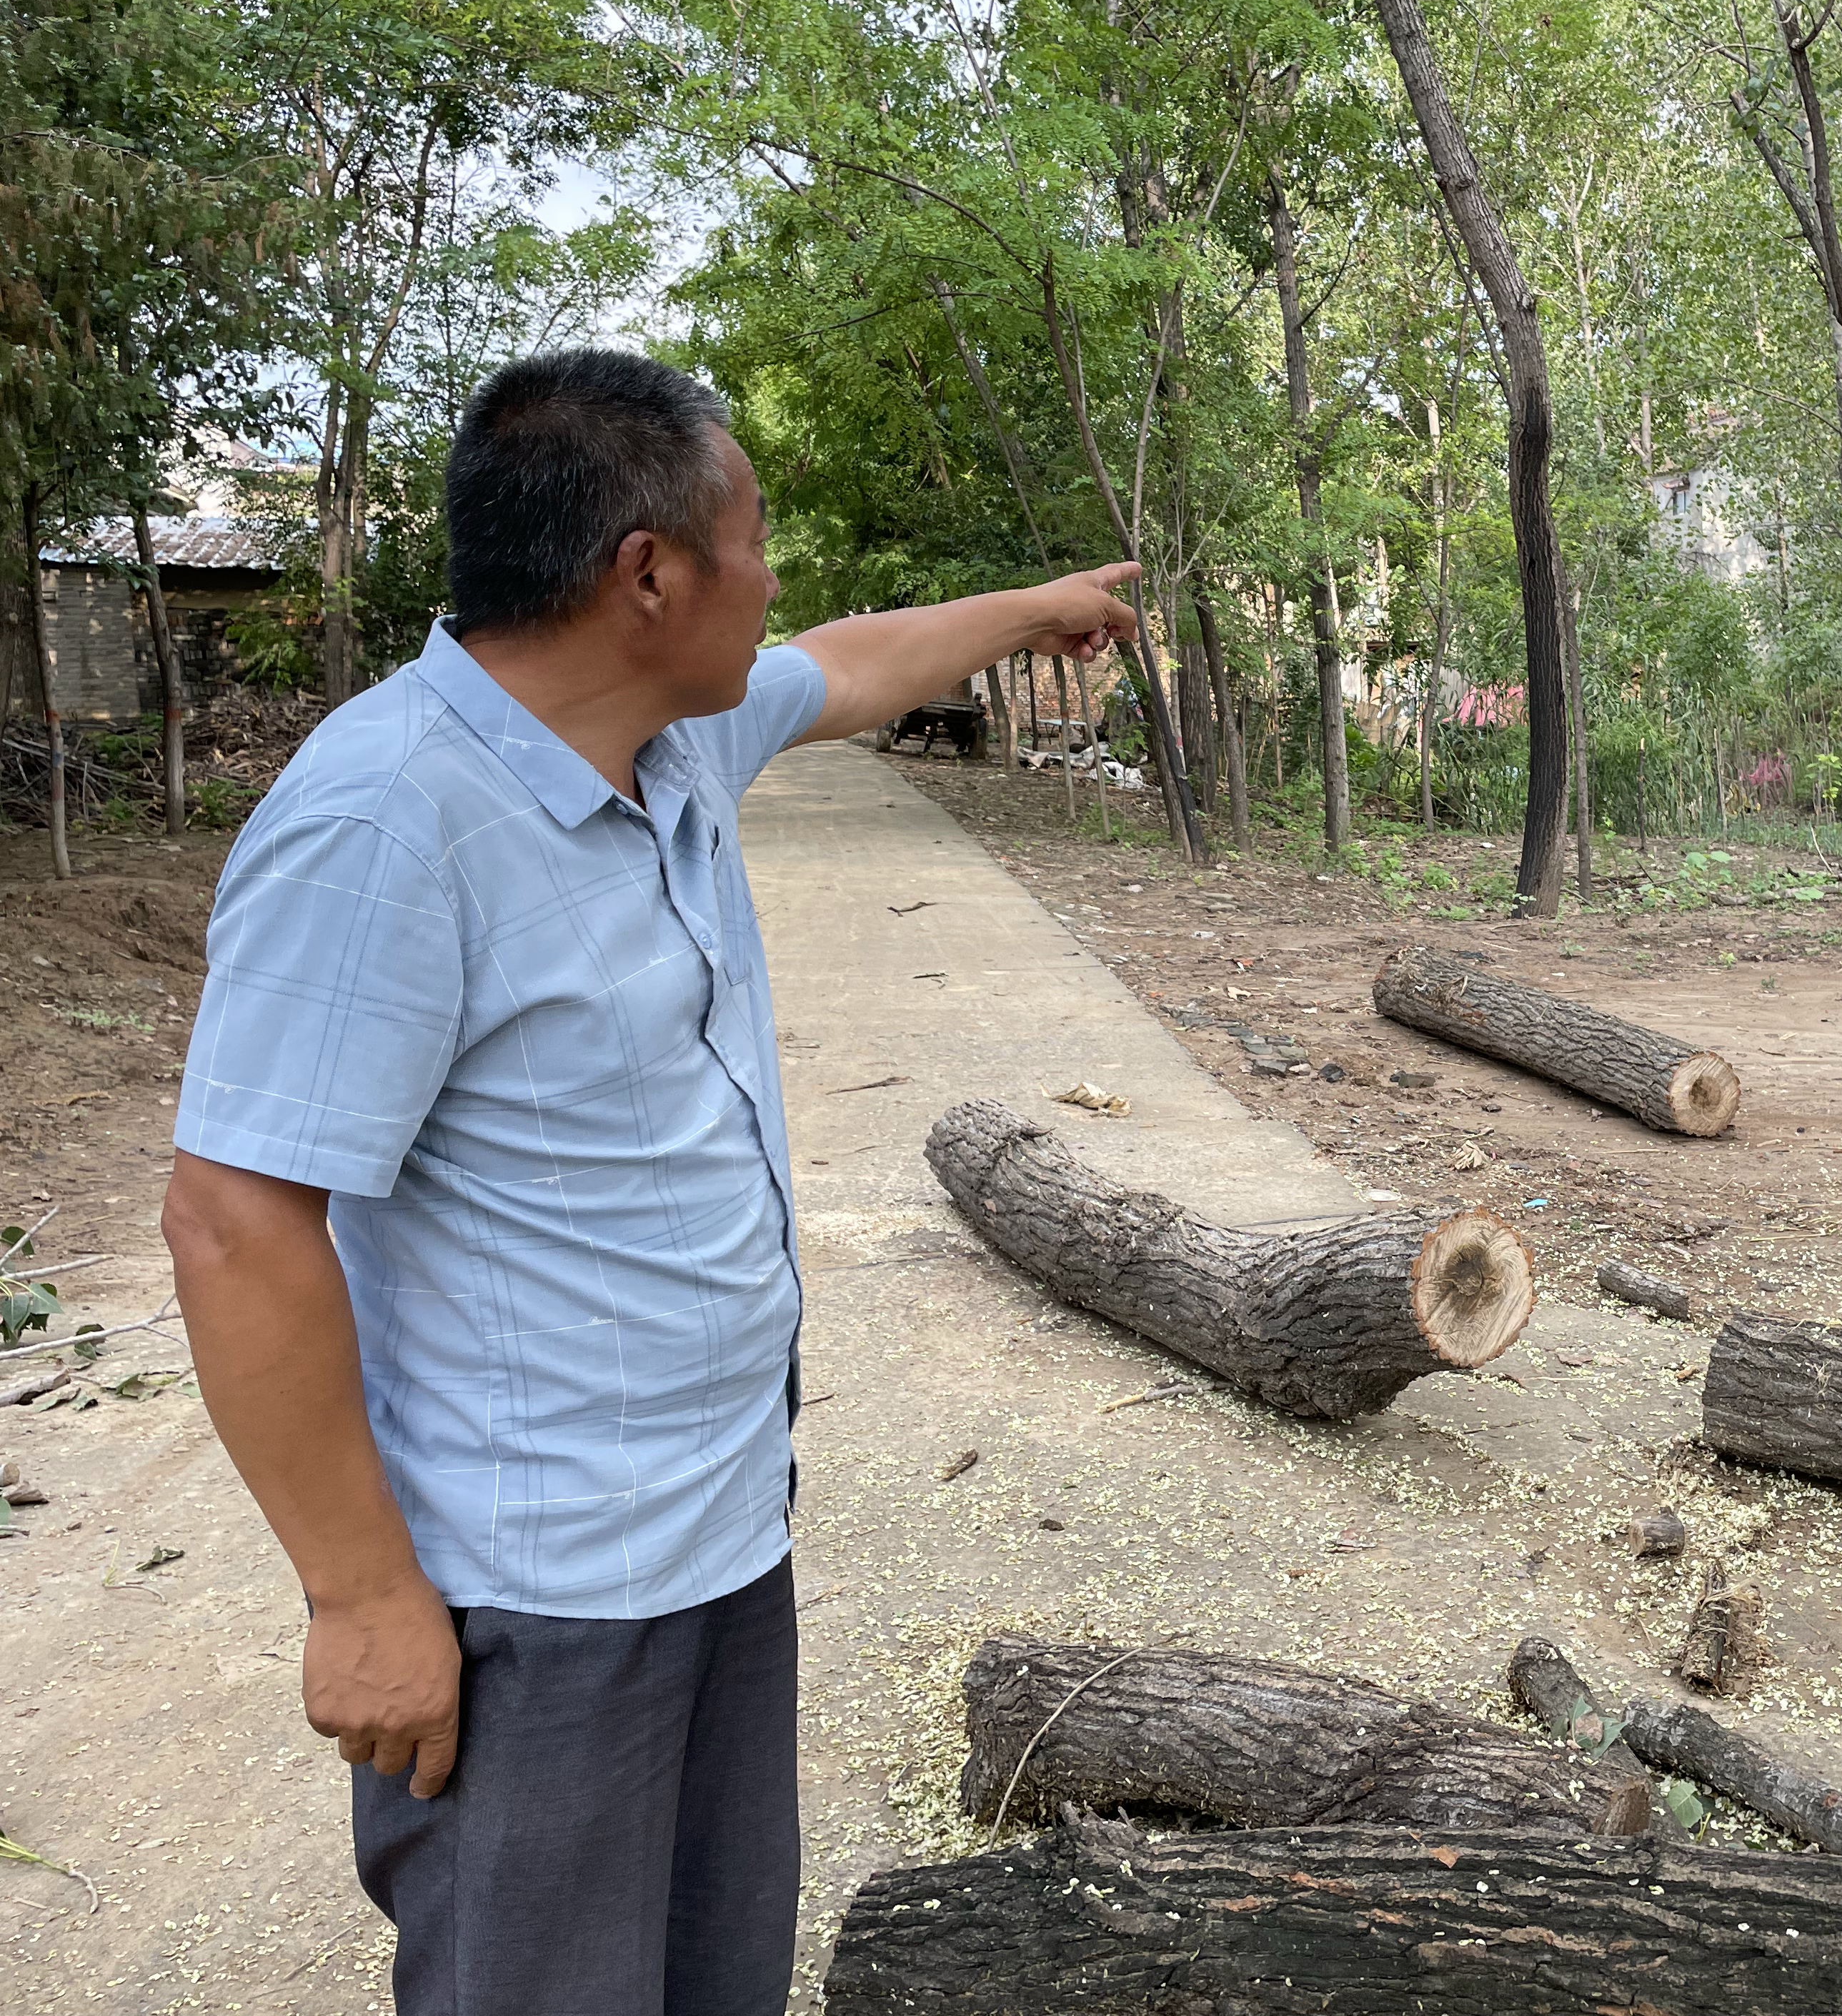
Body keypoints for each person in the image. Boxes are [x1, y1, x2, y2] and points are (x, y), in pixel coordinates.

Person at [161, 349, 1137, 2014]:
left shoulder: (663, 741)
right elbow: (237, 1219)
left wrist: (1031, 603)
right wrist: (362, 1592)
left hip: (716, 1529)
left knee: (710, 1976)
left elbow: (848, 667)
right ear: (650, 576)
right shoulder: (387, 819)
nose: (774, 584)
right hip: (534, 1602)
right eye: (753, 543)